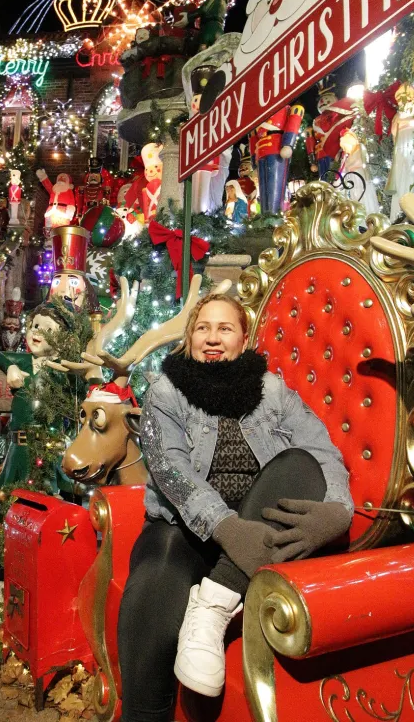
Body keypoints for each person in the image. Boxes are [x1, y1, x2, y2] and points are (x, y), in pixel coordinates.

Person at [118, 293, 353, 720]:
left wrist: (338, 509)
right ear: (189, 339)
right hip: (184, 529)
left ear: (243, 340)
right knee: (156, 581)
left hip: (257, 525)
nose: (212, 338)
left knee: (298, 461)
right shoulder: (164, 394)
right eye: (202, 328)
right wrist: (226, 526)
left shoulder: (275, 393)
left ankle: (212, 604)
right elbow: (170, 469)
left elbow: (323, 452)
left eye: (224, 329)